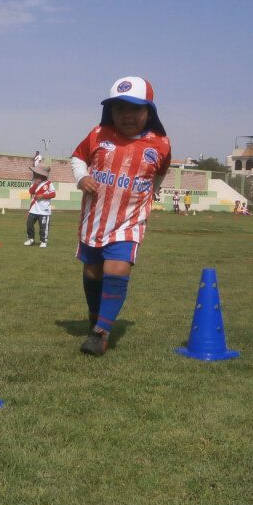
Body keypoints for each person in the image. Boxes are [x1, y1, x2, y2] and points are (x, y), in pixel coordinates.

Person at [71, 76, 171, 356]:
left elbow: (160, 174)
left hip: (129, 221)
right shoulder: (98, 135)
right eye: (119, 108)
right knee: (93, 272)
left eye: (135, 109)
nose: (127, 115)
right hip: (95, 219)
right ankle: (95, 316)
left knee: (117, 269)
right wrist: (82, 178)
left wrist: (149, 195)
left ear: (149, 111)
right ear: (109, 112)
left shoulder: (161, 144)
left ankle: (101, 332)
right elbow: (78, 157)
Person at [24, 163, 55, 247]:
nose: (35, 174)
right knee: (29, 224)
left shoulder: (49, 183)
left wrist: (43, 196)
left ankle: (43, 241)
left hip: (44, 211)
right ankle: (31, 239)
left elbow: (53, 194)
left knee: (43, 227)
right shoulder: (34, 182)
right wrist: (36, 183)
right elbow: (31, 191)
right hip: (33, 209)